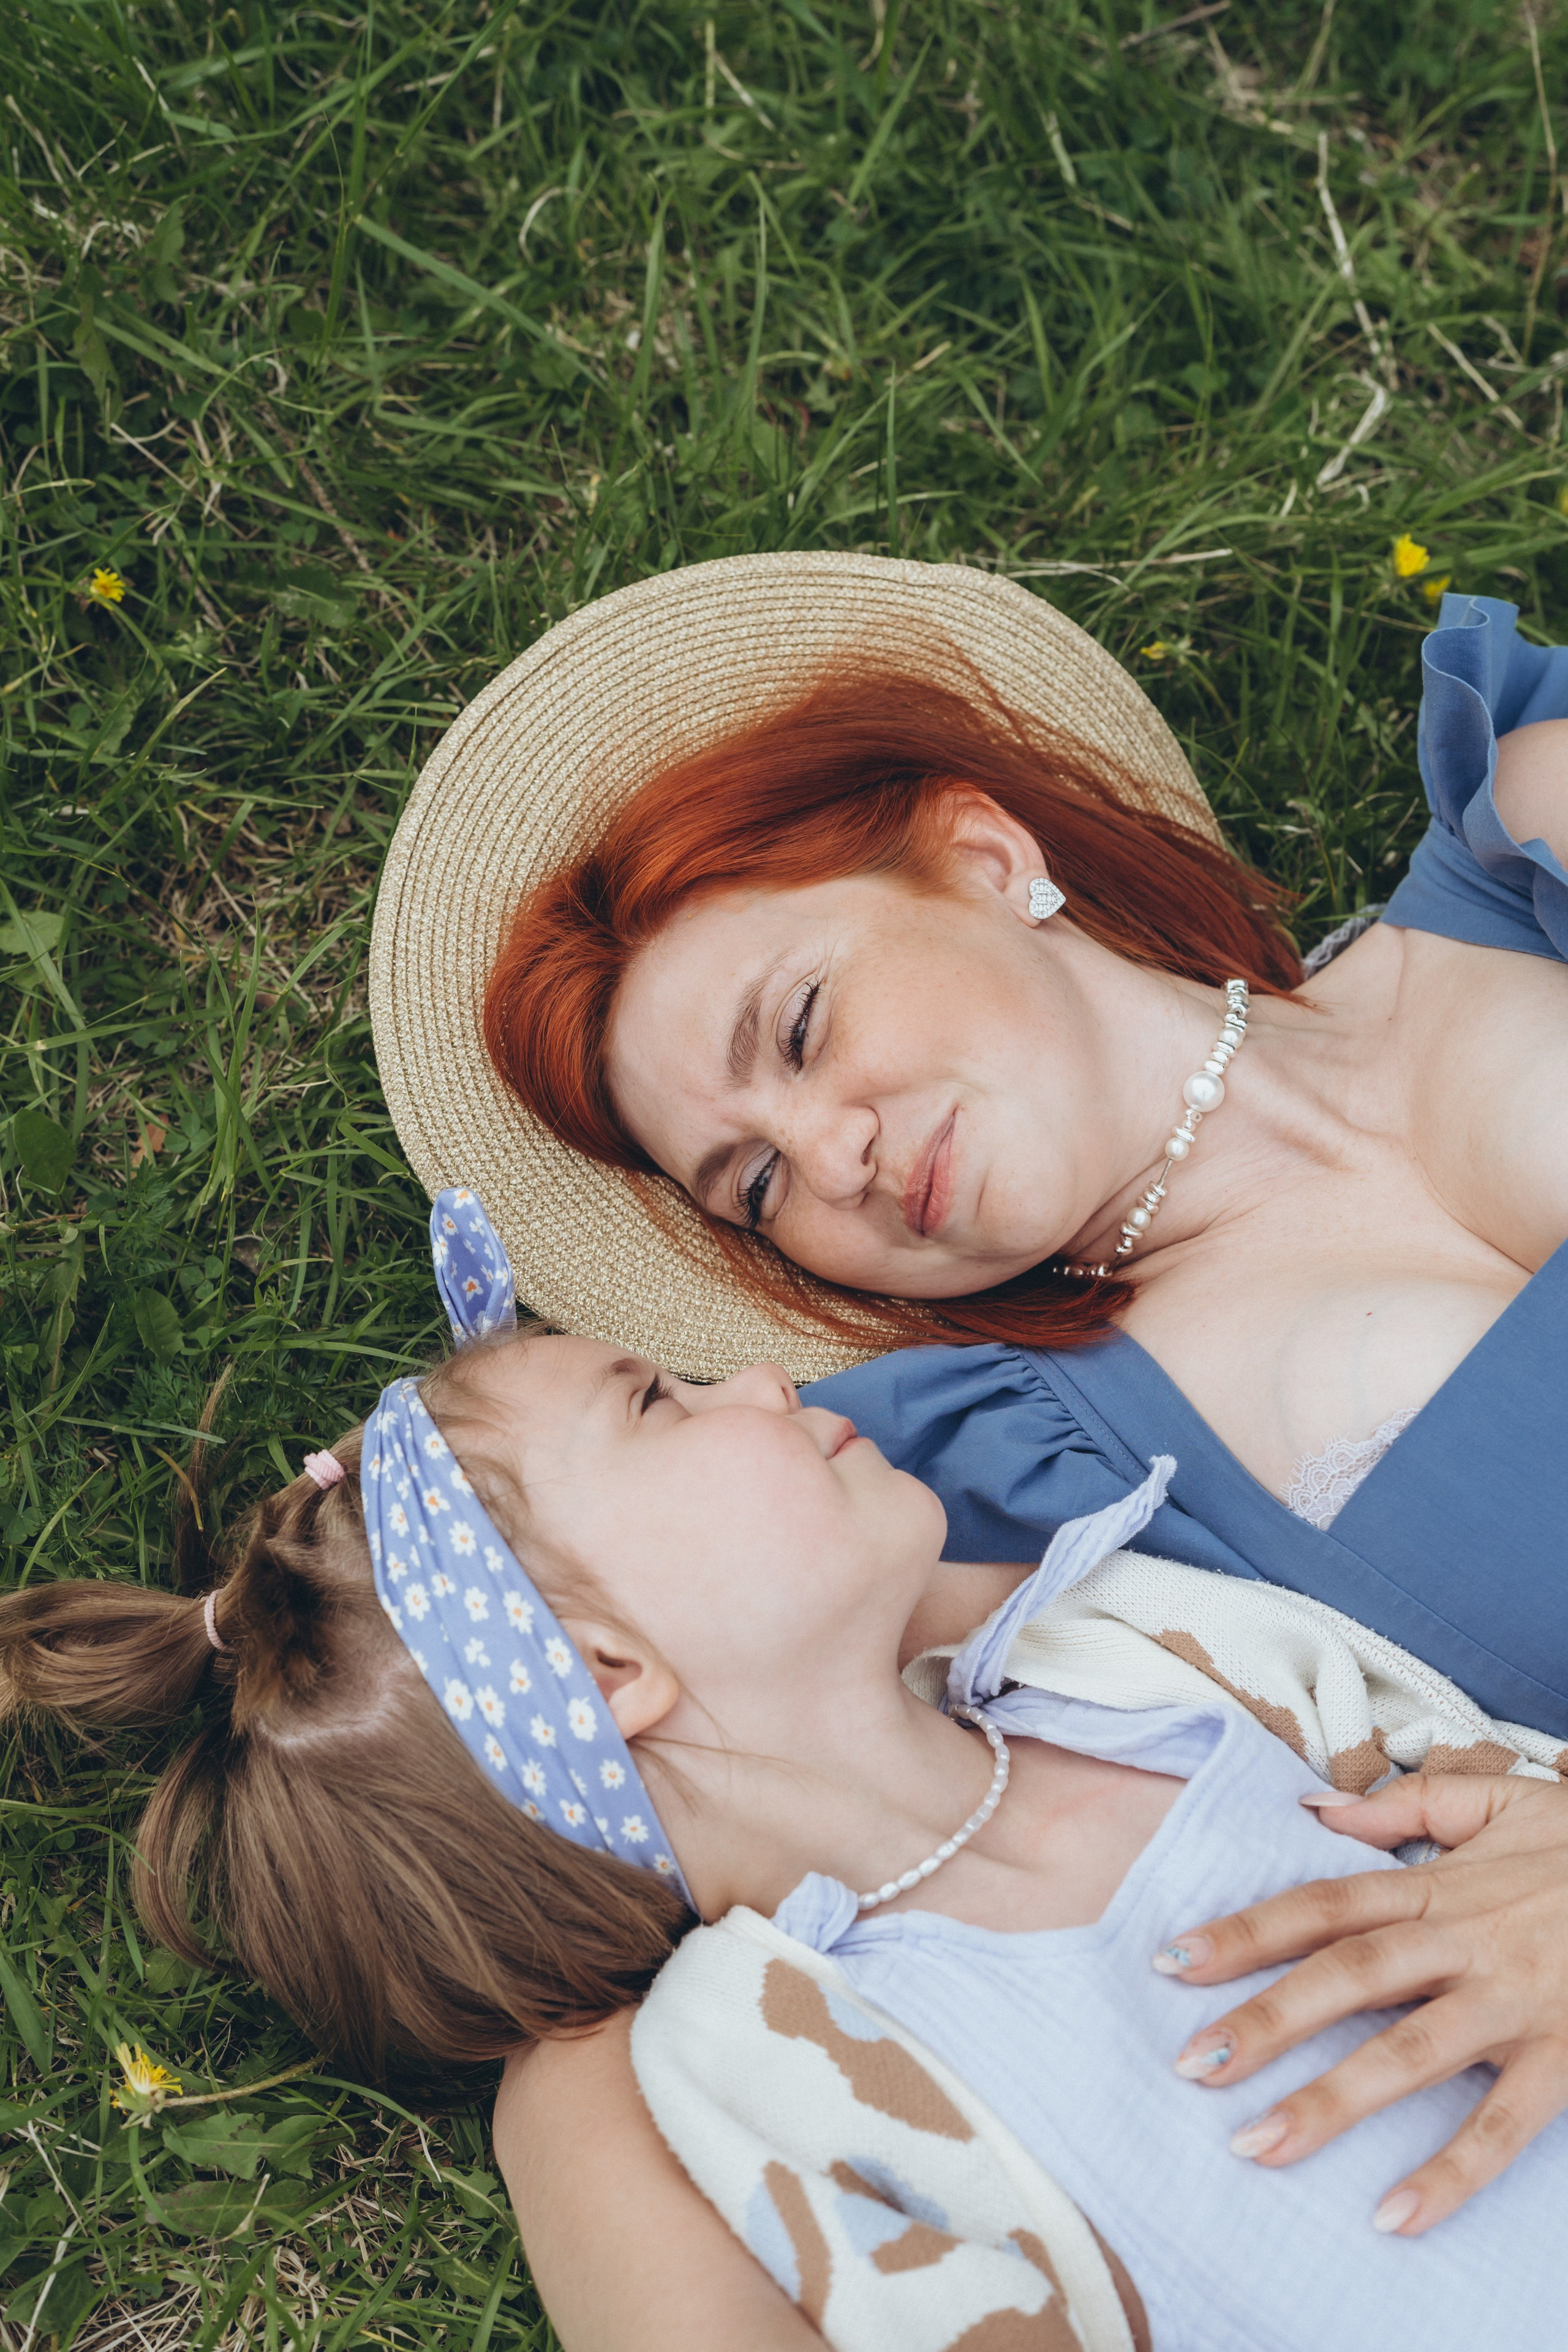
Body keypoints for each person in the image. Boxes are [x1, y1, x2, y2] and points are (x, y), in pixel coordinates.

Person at [7, 1196, 1567, 2352]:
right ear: (609, 1672)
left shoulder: (1113, 1671)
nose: (762, 1381)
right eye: (658, 1404)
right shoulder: (747, 2054)